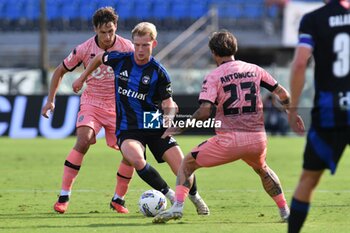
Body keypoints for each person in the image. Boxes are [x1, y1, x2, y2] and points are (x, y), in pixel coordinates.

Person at [152, 30, 305, 224]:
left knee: (187, 163)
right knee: (263, 169)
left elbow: (205, 111)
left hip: (230, 141)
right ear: (235, 48)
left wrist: (179, 127)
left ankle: (178, 206)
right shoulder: (255, 69)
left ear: (214, 53)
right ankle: (285, 211)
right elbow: (282, 93)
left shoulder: (214, 76)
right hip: (257, 139)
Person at [72, 22, 210, 215]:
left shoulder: (159, 72)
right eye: (137, 44)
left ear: (153, 44)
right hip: (128, 128)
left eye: (145, 45)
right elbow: (99, 58)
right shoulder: (121, 59)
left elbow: (168, 102)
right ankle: (169, 195)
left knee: (182, 165)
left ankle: (195, 197)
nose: (140, 49)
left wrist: (169, 118)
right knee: (136, 158)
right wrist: (83, 77)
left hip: (153, 123)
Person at [41, 7, 136, 214]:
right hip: (92, 102)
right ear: (95, 29)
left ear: (116, 27)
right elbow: (59, 71)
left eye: (111, 31)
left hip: (118, 107)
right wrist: (50, 101)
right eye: (103, 32)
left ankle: (118, 199)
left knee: (131, 152)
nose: (108, 36)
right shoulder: (84, 49)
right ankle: (64, 195)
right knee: (83, 139)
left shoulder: (127, 47)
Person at [287, 1, 350, 232]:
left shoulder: (313, 19)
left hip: (329, 112)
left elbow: (300, 64)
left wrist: (293, 108)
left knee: (308, 180)